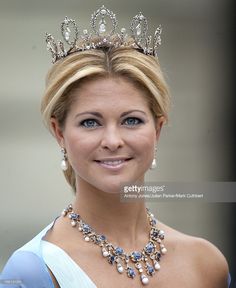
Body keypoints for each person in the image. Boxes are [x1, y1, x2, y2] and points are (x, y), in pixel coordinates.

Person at [0, 6, 230, 288]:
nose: (112, 140)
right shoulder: (35, 271)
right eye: (89, 123)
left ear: (157, 130)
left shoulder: (206, 264)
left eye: (131, 120)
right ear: (59, 132)